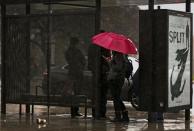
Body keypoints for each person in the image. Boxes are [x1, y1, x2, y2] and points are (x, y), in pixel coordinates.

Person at [65, 37, 86, 118]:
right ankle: (75, 110)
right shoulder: (77, 51)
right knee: (77, 92)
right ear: (76, 43)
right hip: (78, 73)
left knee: (72, 92)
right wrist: (80, 66)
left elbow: (69, 60)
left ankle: (73, 111)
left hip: (72, 73)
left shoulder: (68, 51)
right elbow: (83, 61)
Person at [107, 51, 129, 122]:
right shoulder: (120, 56)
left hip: (116, 80)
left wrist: (110, 63)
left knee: (116, 98)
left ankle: (119, 116)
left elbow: (118, 67)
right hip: (117, 79)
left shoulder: (118, 56)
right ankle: (124, 115)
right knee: (117, 98)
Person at [97, 47, 111, 119]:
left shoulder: (103, 59)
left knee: (102, 98)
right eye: (109, 51)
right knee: (102, 98)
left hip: (103, 81)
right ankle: (101, 113)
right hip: (103, 81)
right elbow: (104, 71)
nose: (110, 53)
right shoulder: (103, 60)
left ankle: (101, 113)